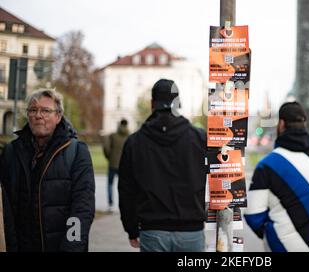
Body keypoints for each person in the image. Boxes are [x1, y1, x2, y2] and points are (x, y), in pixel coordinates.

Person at [244, 101, 309, 252]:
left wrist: (273, 235)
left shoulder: (266, 166)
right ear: (304, 124)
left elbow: (254, 214)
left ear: (281, 124)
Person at [0, 89, 95, 252]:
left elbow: (82, 207)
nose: (38, 115)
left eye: (45, 110)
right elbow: (5, 208)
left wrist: (72, 246)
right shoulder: (11, 152)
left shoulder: (77, 152)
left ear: (58, 117)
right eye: (33, 110)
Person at [118, 79, 207, 252]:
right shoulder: (199, 138)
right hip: (191, 230)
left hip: (153, 229)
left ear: (152, 104)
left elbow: (126, 190)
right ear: (178, 103)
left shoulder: (135, 142)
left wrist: (131, 228)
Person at [103, 118, 129, 212]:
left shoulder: (113, 136)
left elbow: (106, 147)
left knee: (110, 184)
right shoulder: (129, 137)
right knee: (124, 186)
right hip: (124, 165)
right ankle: (125, 205)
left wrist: (109, 157)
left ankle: (110, 205)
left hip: (113, 164)